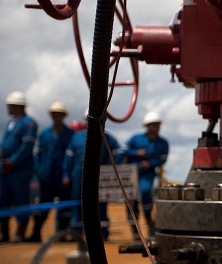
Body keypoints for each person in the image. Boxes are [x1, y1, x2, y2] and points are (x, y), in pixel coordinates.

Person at [62, 111, 121, 240]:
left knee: (101, 206)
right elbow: (68, 157)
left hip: (101, 178)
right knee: (78, 204)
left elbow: (117, 155)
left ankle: (102, 233)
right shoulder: (77, 137)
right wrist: (66, 174)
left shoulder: (107, 137)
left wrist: (112, 172)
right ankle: (76, 233)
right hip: (79, 176)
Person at [30, 102, 76, 242]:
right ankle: (36, 233)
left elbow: (72, 156)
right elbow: (36, 154)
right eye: (54, 115)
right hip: (46, 176)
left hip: (63, 177)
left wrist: (67, 174)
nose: (57, 117)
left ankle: (61, 234)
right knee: (43, 205)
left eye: (60, 115)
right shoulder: (44, 134)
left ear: (64, 116)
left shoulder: (70, 135)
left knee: (64, 207)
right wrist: (39, 171)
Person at [124, 111, 169, 239]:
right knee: (130, 197)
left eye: (157, 124)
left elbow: (163, 159)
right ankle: (134, 230)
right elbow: (123, 150)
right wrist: (135, 152)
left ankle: (150, 224)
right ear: (147, 126)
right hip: (133, 173)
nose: (155, 127)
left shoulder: (163, 143)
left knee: (145, 192)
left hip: (148, 173)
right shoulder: (136, 139)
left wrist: (150, 163)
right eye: (152, 124)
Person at [0, 91, 38, 243]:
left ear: (17, 106)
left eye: (10, 105)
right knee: (3, 200)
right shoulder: (10, 123)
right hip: (5, 169)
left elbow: (27, 146)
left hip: (20, 170)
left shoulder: (29, 123)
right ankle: (4, 233)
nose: (8, 108)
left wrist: (13, 161)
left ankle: (20, 233)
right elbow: (4, 144)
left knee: (21, 199)